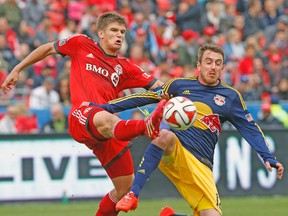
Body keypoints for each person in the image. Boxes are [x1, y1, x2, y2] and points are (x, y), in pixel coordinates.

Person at [1, 12, 166, 216]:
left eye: (122, 32)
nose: (119, 35)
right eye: (114, 30)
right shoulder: (81, 44)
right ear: (101, 33)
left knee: (124, 188)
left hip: (106, 130)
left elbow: (160, 87)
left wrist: (177, 95)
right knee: (106, 117)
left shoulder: (126, 67)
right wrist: (17, 68)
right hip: (83, 115)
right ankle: (145, 126)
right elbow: (47, 49)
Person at [92, 44, 284, 216]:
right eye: (208, 62)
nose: (213, 66)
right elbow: (145, 97)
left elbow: (250, 128)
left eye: (218, 63)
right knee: (165, 135)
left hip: (202, 164)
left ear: (223, 69)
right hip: (178, 150)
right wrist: (105, 107)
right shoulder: (179, 85)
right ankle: (133, 194)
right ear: (198, 65)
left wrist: (268, 157)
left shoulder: (230, 96)